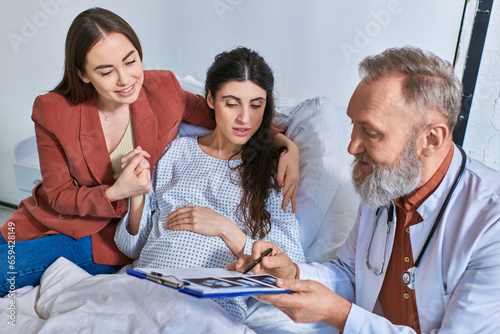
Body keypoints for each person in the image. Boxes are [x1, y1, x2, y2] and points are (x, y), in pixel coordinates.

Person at [0, 8, 300, 295]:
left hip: (103, 238)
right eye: (106, 71)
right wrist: (117, 192)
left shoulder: (163, 90)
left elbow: (229, 115)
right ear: (83, 74)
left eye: (131, 61)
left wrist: (285, 145)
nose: (125, 79)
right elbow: (56, 194)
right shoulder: (52, 110)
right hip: (53, 216)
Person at [230, 46, 500, 333]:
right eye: (353, 125)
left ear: (431, 139)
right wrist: (292, 273)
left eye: (370, 132)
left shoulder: (490, 223)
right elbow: (351, 274)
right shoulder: (386, 183)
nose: (352, 147)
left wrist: (341, 316)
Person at [114, 47, 305, 321]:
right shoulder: (176, 151)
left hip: (210, 310)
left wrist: (225, 228)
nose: (244, 118)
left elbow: (290, 264)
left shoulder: (273, 170)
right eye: (231, 103)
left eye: (256, 105)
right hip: (143, 287)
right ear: (211, 100)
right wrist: (137, 196)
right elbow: (132, 247)